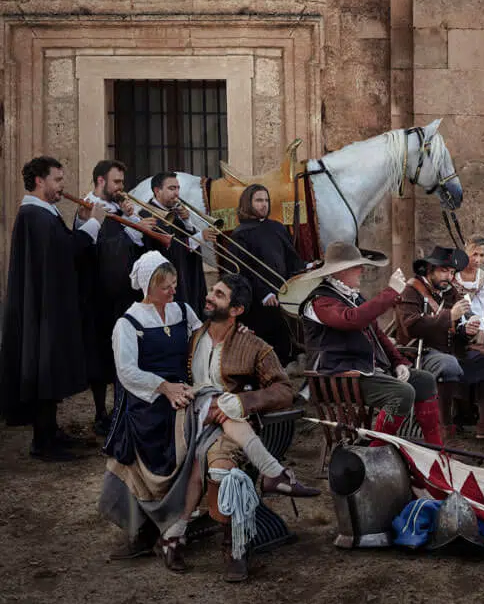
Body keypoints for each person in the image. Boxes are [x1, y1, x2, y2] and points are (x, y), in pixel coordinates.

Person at [101, 260, 319, 576]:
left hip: (228, 425)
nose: (208, 297)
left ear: (236, 310)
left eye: (218, 294)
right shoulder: (194, 332)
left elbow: (284, 389)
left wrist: (242, 400)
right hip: (186, 413)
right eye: (212, 291)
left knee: (218, 464)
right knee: (201, 429)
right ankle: (273, 474)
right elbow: (138, 367)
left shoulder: (252, 345)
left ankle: (232, 548)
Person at [1, 156, 109, 461]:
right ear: (40, 181)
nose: (62, 186)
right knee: (44, 365)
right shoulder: (35, 215)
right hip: (43, 310)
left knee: (48, 366)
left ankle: (49, 431)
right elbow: (65, 252)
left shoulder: (42, 213)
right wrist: (95, 223)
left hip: (46, 306)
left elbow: (61, 249)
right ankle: (43, 440)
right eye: (57, 180)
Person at [293, 241, 446, 444]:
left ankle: (434, 450)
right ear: (341, 271)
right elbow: (351, 319)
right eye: (357, 266)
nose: (362, 270)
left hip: (360, 372)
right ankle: (375, 448)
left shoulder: (353, 297)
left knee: (424, 381)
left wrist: (398, 362)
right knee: (401, 393)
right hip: (336, 376)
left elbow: (378, 334)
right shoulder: (320, 301)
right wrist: (391, 292)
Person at [393, 245, 484, 439]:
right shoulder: (410, 291)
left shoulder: (449, 292)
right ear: (429, 270)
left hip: (450, 350)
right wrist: (449, 314)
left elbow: (453, 330)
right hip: (420, 354)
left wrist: (465, 331)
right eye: (444, 271)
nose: (449, 277)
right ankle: (443, 426)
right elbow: (411, 326)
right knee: (448, 364)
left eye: (451, 272)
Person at [79, 159, 145, 436]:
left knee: (124, 352)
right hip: (98, 295)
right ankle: (100, 412)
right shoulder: (86, 208)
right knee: (100, 355)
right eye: (116, 182)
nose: (121, 187)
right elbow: (85, 248)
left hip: (123, 294)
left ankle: (121, 408)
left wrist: (131, 217)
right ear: (100, 181)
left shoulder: (120, 208)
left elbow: (139, 243)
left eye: (122, 182)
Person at [221, 183, 300, 365]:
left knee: (284, 347)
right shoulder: (241, 234)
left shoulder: (277, 227)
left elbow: (291, 259)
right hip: (258, 303)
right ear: (248, 203)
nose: (263, 205)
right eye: (258, 200)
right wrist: (263, 293)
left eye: (266, 200)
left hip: (282, 296)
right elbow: (241, 272)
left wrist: (306, 267)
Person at [143, 172, 210, 320]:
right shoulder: (147, 214)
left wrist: (186, 221)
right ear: (157, 191)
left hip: (185, 278)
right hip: (168, 285)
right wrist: (199, 238)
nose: (177, 193)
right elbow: (168, 248)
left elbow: (184, 240)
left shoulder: (175, 212)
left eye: (178, 188)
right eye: (171, 188)